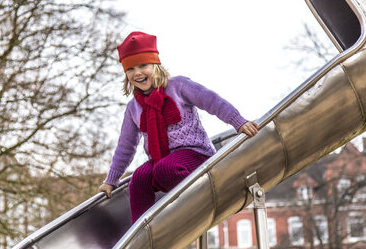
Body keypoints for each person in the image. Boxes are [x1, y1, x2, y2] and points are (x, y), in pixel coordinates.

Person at [98, 31, 259, 224]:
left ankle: (202, 199)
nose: (138, 72)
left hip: (195, 155)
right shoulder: (133, 108)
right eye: (131, 68)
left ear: (156, 65)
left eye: (143, 65)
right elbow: (125, 146)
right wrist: (111, 180)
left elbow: (212, 101)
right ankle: (143, 234)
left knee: (165, 169)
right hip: (162, 160)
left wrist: (238, 121)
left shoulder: (179, 86)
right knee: (138, 179)